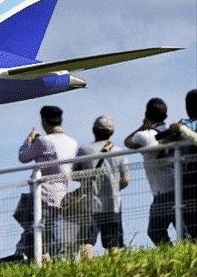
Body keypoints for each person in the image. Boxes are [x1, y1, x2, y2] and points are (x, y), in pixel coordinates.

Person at [16, 105, 76, 260]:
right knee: (52, 229)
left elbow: (23, 157)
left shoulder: (43, 141)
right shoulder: (72, 142)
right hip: (62, 194)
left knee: (36, 231)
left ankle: (38, 260)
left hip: (42, 194)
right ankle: (53, 259)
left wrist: (28, 140)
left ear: (44, 121)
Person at [71, 117, 129, 256]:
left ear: (94, 130)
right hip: (113, 203)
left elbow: (74, 175)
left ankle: (87, 272)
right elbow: (126, 180)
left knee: (86, 242)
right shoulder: (119, 152)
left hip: (89, 205)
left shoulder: (84, 150)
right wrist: (115, 186)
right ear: (112, 133)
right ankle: (116, 272)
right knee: (114, 244)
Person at [125, 98, 175, 244]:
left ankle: (169, 255)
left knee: (155, 231)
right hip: (178, 187)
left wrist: (142, 126)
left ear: (147, 114)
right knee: (184, 229)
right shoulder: (171, 132)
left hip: (161, 192)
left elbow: (128, 142)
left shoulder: (145, 136)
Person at [163, 89, 197, 238]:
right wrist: (172, 133)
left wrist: (182, 130)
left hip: (190, 171)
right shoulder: (182, 123)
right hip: (187, 174)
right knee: (189, 214)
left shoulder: (183, 125)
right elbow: (162, 140)